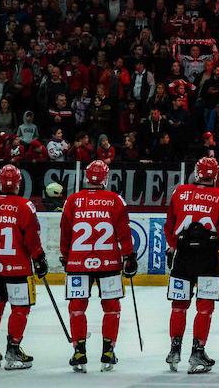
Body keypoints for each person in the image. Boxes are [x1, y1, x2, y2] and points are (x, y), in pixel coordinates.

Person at [59, 159, 135, 372]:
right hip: (109, 263)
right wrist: (129, 256)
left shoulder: (72, 200)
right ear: (105, 178)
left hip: (78, 263)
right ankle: (108, 352)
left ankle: (79, 351)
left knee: (77, 307)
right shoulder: (115, 200)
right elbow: (124, 233)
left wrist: (66, 256)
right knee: (111, 308)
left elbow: (65, 232)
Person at [163, 156, 219, 373]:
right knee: (204, 307)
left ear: (196, 172)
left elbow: (170, 225)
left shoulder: (179, 192)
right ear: (215, 176)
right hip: (208, 257)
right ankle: (197, 352)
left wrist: (172, 247)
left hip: (183, 257)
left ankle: (174, 349)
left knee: (179, 305)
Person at [0, 163, 47, 370]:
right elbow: (32, 238)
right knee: (20, 308)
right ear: (18, 183)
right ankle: (13, 350)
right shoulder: (25, 206)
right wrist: (39, 259)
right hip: (18, 269)